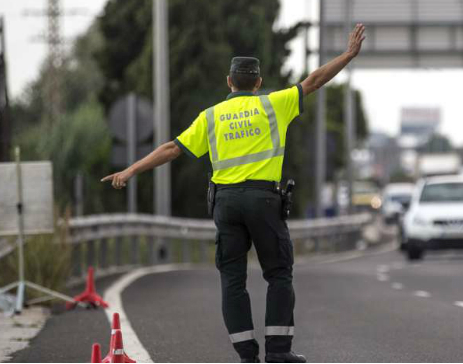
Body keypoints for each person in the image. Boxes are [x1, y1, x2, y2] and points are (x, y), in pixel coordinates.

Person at [102, 24, 366, 363]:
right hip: (264, 202)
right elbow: (314, 80)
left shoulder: (210, 117)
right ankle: (279, 353)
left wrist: (130, 170)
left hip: (226, 204)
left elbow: (171, 149)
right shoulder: (275, 104)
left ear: (229, 82)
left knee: (232, 280)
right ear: (257, 83)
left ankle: (247, 355)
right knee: (279, 274)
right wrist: (348, 54)